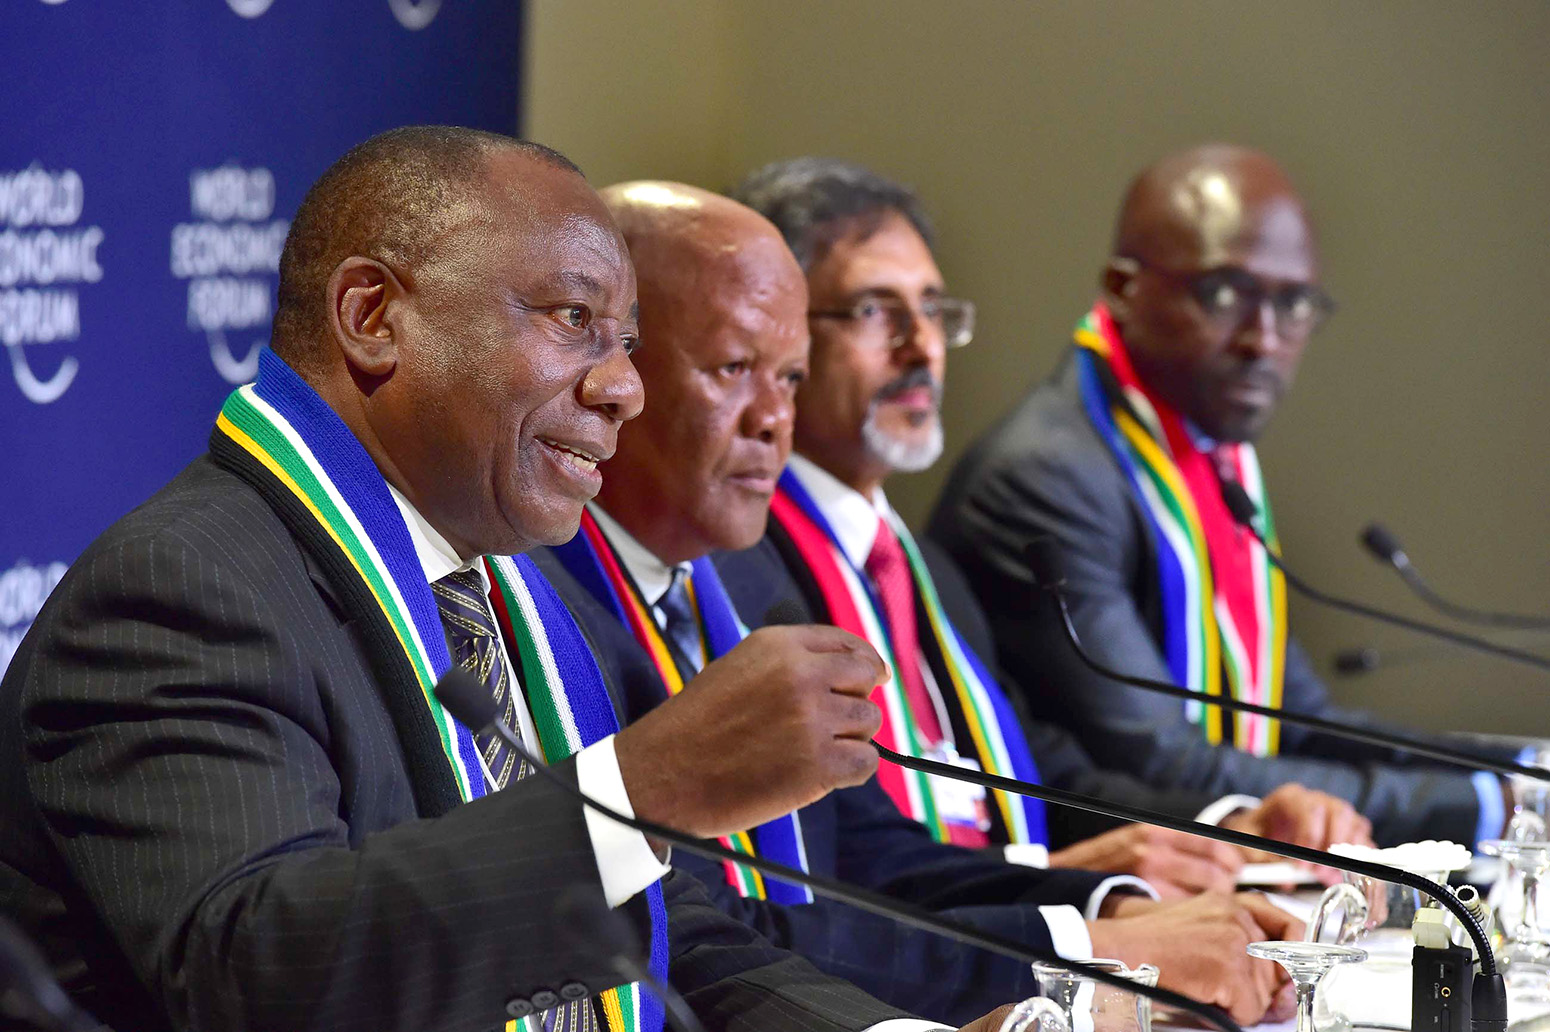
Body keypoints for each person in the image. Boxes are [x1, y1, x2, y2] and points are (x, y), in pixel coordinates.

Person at [0, 127, 996, 1032]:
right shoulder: (182, 594)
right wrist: (647, 788)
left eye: (627, 343)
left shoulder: (514, 592)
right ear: (371, 316)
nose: (623, 388)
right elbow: (259, 974)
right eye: (574, 319)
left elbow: (664, 934)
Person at [545, 179, 1304, 1025]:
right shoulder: (547, 612)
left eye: (789, 377)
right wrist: (1087, 956)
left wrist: (1108, 909)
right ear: (612, 375)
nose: (773, 420)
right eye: (733, 369)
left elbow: (871, 853)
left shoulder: (739, 585)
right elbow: (708, 934)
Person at [928, 143, 1504, 848]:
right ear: (1121, 288)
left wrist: (1511, 772)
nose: (1263, 339)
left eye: (1293, 303)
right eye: (1223, 294)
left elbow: (1296, 719)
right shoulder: (1047, 477)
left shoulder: (1206, 456)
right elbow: (1160, 757)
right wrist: (1483, 808)